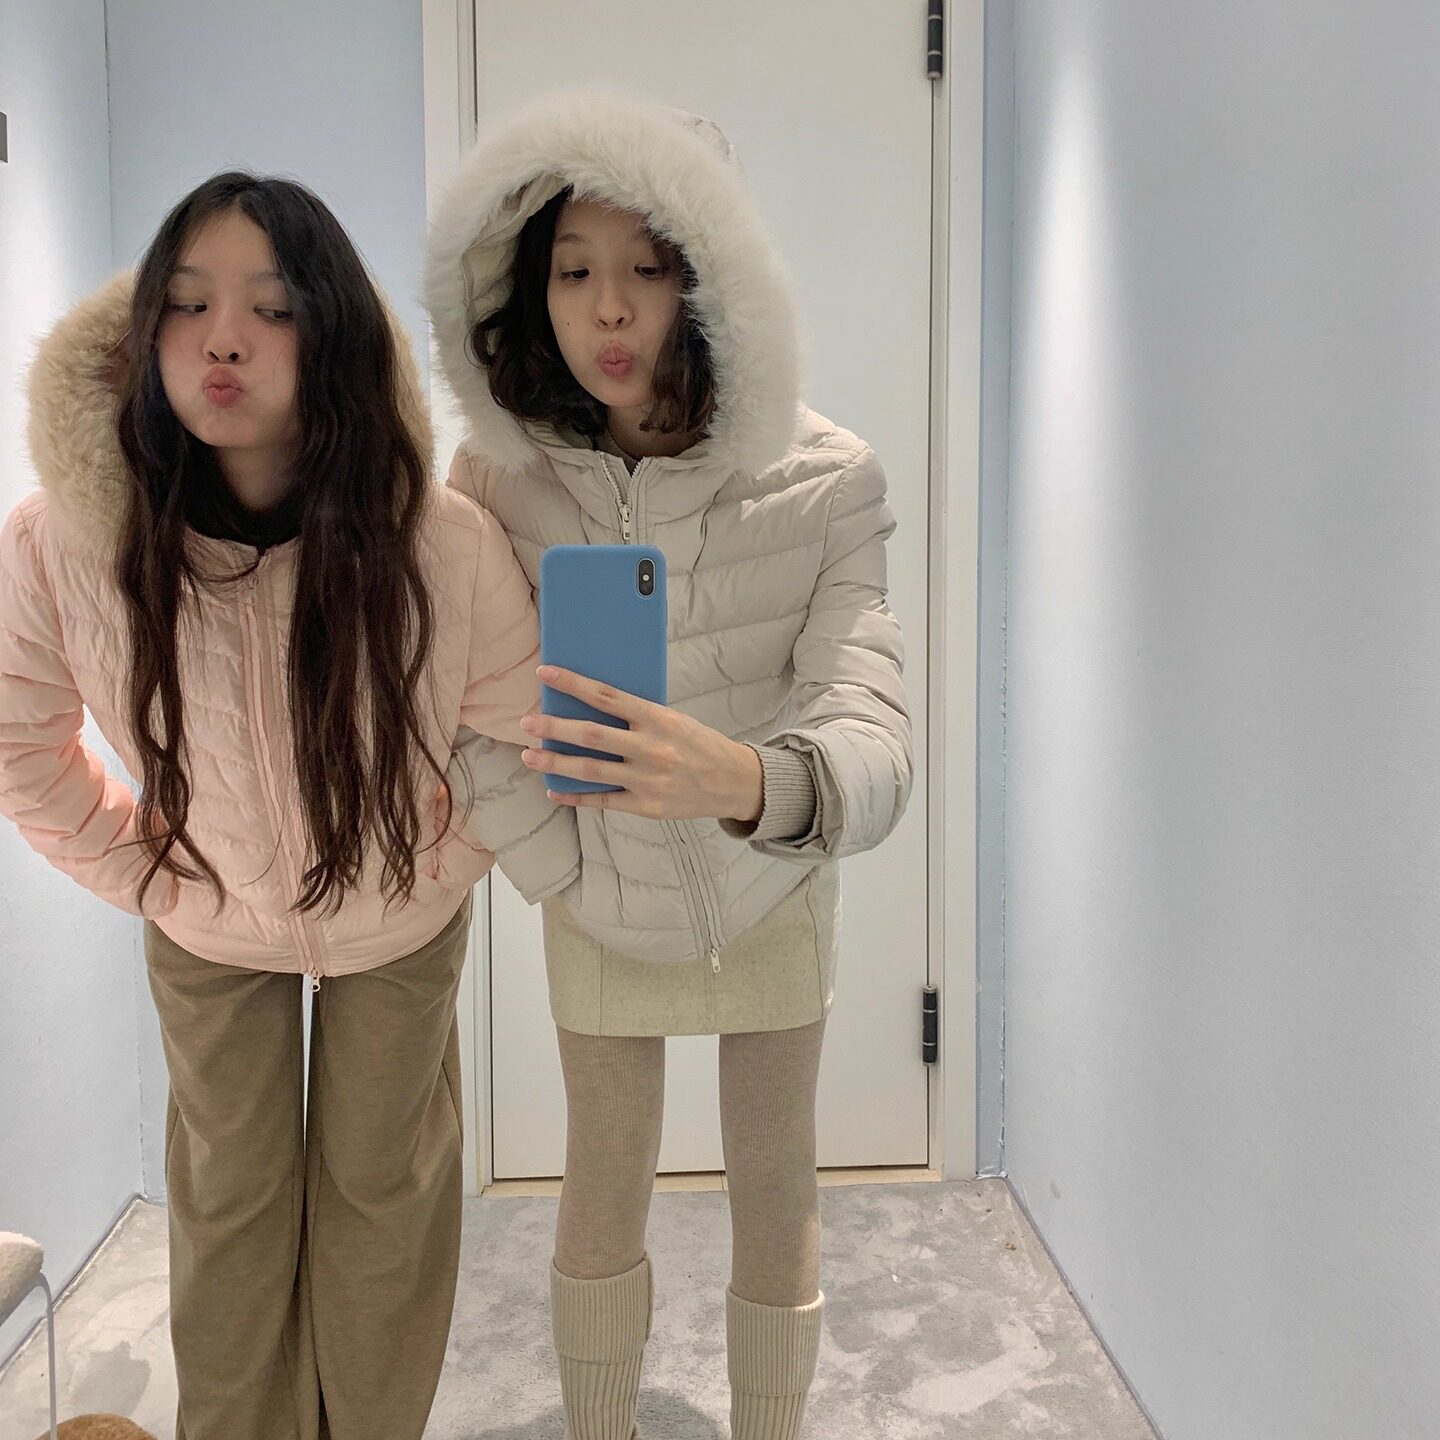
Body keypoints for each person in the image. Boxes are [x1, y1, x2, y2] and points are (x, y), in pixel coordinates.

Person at [0, 172, 576, 1440]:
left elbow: (508, 732)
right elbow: (19, 741)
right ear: (144, 333)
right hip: (206, 927)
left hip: (400, 922)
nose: (223, 339)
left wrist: (438, 859)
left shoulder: (437, 538)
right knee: (232, 1208)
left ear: (330, 335)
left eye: (270, 309)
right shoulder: (60, 541)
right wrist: (143, 868)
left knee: (384, 1196)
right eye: (188, 303)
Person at [426, 91, 913, 1439]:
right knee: (601, 1180)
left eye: (647, 267)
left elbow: (876, 728)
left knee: (777, 1181)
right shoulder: (494, 481)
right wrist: (561, 869)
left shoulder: (830, 477)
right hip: (597, 888)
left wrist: (748, 783)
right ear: (528, 291)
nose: (610, 309)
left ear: (711, 278)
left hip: (773, 885)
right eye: (574, 270)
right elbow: (467, 716)